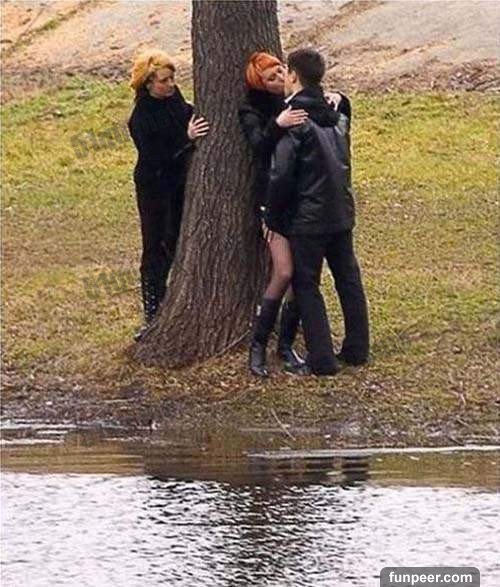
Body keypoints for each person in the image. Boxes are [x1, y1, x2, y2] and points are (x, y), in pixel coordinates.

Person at [265, 48, 370, 376]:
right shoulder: (336, 115)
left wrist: (272, 216)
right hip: (340, 211)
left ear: (294, 75)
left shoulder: (295, 119)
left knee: (307, 284)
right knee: (347, 278)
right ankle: (357, 349)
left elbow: (281, 173)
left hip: (308, 216)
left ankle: (321, 359)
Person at [128, 49, 209, 340]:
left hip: (178, 182)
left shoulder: (175, 100)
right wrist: (186, 138)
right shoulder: (141, 116)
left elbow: (186, 114)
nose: (170, 84)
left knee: (177, 240)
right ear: (148, 83)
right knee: (156, 245)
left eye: (172, 78)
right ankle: (152, 312)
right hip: (154, 186)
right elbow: (155, 155)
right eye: (163, 81)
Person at [238, 52, 309, 377]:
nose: (280, 79)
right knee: (283, 271)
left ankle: (286, 345)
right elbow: (258, 146)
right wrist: (277, 125)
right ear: (261, 85)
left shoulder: (295, 100)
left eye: (280, 71)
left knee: (300, 275)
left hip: (301, 197)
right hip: (271, 199)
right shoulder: (251, 110)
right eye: (271, 78)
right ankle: (258, 344)